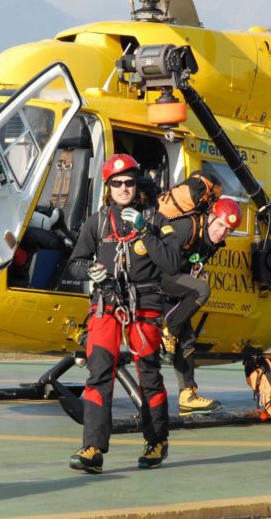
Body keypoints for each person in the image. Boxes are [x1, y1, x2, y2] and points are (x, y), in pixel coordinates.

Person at [68, 153, 181, 474]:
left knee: (149, 374)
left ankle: (156, 440)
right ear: (108, 187)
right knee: (98, 373)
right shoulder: (98, 222)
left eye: (128, 182)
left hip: (144, 308)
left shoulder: (158, 222)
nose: (123, 188)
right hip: (106, 306)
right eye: (116, 183)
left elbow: (173, 264)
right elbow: (75, 263)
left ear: (137, 185)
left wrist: (145, 231)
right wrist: (92, 270)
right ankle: (92, 448)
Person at [160, 197, 242, 415]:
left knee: (187, 340)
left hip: (173, 286)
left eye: (229, 230)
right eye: (221, 225)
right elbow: (161, 259)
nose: (222, 232)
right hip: (156, 280)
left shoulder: (214, 243)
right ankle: (169, 329)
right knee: (202, 290)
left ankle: (188, 394)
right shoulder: (187, 227)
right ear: (210, 218)